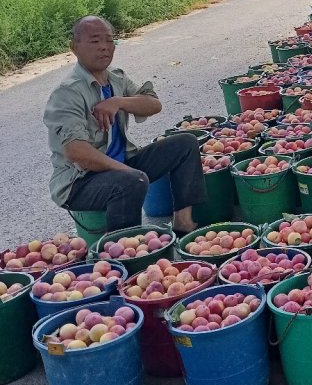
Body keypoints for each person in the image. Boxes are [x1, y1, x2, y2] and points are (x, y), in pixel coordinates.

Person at [43, 16, 206, 234]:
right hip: (80, 182)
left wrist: (118, 102)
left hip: (122, 165)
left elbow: (153, 104)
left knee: (185, 143)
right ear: (74, 47)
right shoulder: (68, 93)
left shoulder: (116, 79)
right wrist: (130, 172)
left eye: (109, 41)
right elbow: (76, 152)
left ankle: (183, 223)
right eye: (94, 41)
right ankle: (125, 250)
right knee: (131, 181)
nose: (104, 47)